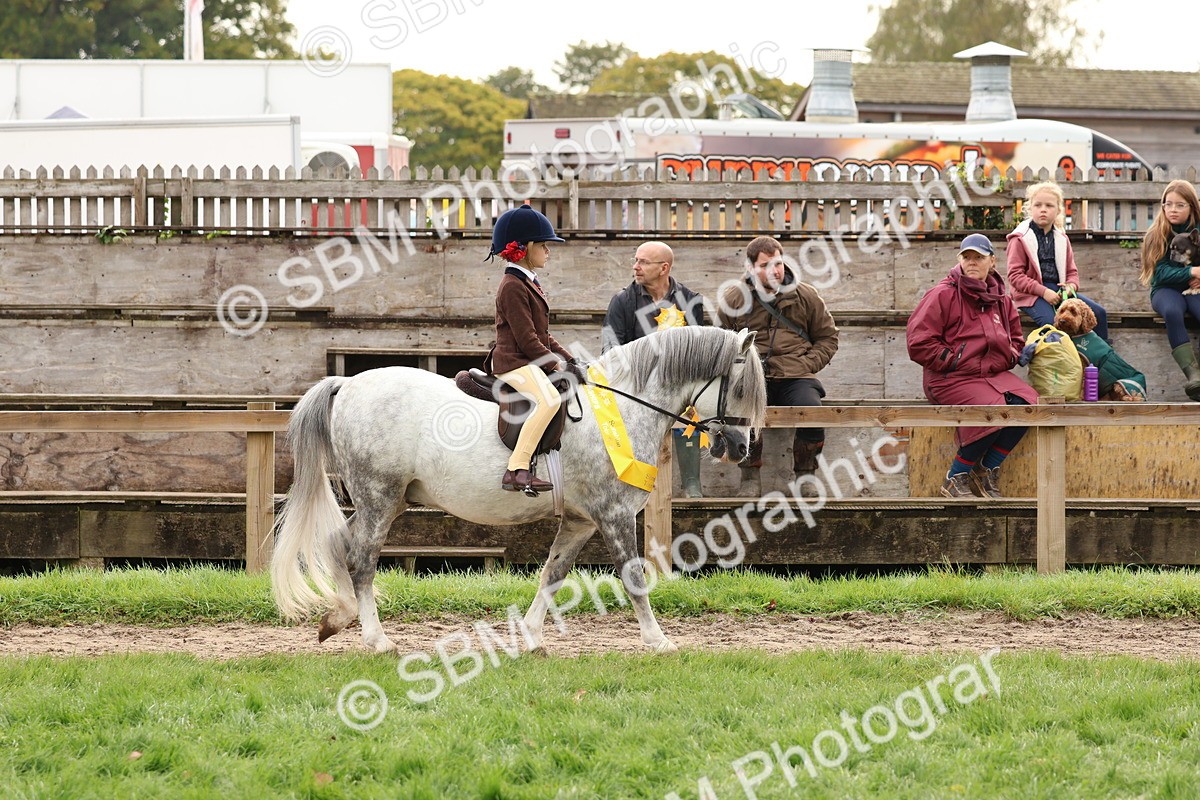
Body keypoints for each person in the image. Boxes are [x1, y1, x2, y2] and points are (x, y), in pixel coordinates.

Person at [906, 234, 1039, 498]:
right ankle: (955, 477)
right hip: (949, 378)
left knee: (1030, 404)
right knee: (992, 410)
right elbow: (918, 342)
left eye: (978, 257)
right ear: (959, 260)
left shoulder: (1002, 298)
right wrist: (954, 360)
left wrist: (1010, 357)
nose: (972, 262)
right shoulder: (942, 294)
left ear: (992, 261)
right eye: (967, 257)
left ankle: (986, 470)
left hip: (991, 375)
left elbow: (1016, 339)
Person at [717, 235, 839, 497]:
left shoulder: (806, 296)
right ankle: (750, 477)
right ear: (750, 268)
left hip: (796, 375)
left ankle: (806, 476)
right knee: (741, 410)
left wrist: (806, 363)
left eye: (778, 263)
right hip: (751, 376)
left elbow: (828, 337)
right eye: (765, 265)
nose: (775, 270)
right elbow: (725, 342)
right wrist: (741, 369)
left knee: (812, 410)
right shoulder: (733, 299)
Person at [602, 241, 709, 497]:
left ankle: (691, 482)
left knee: (693, 405)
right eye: (636, 260)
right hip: (635, 384)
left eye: (643, 262)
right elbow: (610, 350)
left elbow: (697, 350)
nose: (635, 267)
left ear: (664, 268)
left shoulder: (690, 300)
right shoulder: (622, 301)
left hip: (678, 383)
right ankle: (632, 480)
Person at [487, 204, 580, 493]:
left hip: (526, 361)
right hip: (512, 364)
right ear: (525, 248)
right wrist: (557, 366)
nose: (548, 250)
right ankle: (517, 469)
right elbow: (528, 341)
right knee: (550, 399)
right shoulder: (512, 285)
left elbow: (544, 335)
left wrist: (571, 359)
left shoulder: (528, 281)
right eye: (543, 245)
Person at [1006, 180, 1110, 342]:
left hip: (1058, 292)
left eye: (1049, 206)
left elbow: (1072, 273)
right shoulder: (1020, 238)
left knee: (1098, 314)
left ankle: (1101, 360)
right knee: (1053, 324)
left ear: (1058, 210)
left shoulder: (1061, 238)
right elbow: (1015, 276)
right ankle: (1066, 362)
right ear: (1030, 208)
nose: (1043, 210)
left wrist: (1070, 287)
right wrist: (1044, 292)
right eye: (1038, 205)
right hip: (1031, 294)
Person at [1139, 179, 1200, 401]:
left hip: (1195, 290)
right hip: (1165, 290)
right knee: (1173, 312)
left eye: (1180, 205)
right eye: (1168, 204)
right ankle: (1193, 375)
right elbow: (1159, 274)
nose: (1172, 210)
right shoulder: (1157, 234)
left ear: (1192, 206)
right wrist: (1192, 272)